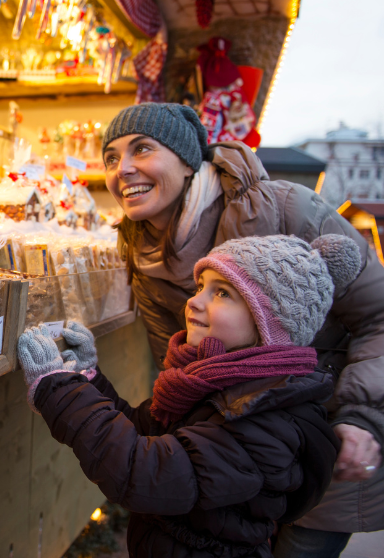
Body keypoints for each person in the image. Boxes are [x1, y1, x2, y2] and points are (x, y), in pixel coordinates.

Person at [100, 103, 384, 555]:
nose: (123, 169)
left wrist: (362, 415)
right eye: (111, 157)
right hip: (237, 468)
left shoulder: (285, 209)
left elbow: (379, 313)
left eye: (142, 149)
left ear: (187, 159)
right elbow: (178, 370)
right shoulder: (144, 254)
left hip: (324, 444)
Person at [18, 234, 359, 557]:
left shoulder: (266, 422)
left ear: (270, 325)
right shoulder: (210, 383)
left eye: (222, 293)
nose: (194, 301)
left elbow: (145, 472)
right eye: (200, 287)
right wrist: (86, 377)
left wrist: (59, 388)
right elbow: (142, 430)